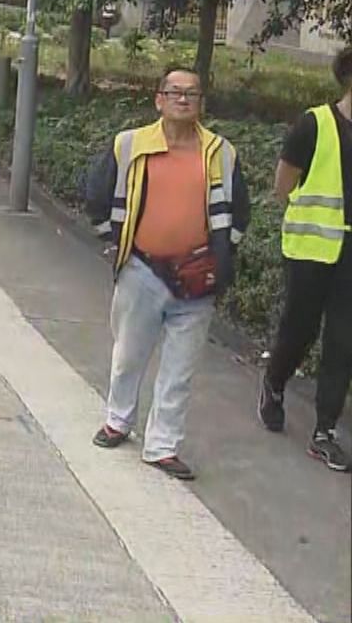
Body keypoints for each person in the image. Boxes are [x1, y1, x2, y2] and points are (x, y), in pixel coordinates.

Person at [81, 66, 251, 480]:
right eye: (173, 92)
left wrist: (220, 257)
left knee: (180, 367)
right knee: (128, 356)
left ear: (201, 104)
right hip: (142, 269)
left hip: (196, 278)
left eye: (191, 93)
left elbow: (240, 210)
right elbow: (96, 194)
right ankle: (118, 421)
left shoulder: (220, 153)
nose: (182, 99)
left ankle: (162, 446)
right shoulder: (130, 145)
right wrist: (113, 240)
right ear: (158, 99)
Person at [258, 45, 352, 472]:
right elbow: (284, 187)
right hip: (312, 250)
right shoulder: (314, 124)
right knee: (300, 330)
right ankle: (274, 383)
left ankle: (324, 432)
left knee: (343, 342)